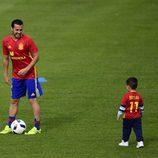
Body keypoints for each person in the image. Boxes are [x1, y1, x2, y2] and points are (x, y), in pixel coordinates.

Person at [0, 19, 43, 135]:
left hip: (30, 74)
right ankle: (9, 126)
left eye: (21, 30)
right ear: (12, 29)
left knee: (32, 100)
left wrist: (26, 69)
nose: (19, 32)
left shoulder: (28, 40)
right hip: (16, 76)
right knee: (14, 100)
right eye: (17, 29)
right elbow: (5, 59)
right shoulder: (6, 41)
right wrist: (5, 74)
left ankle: (37, 127)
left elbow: (36, 56)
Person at [116, 77, 144, 148]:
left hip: (127, 117)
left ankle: (125, 141)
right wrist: (141, 113)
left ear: (128, 87)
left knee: (126, 129)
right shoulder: (139, 96)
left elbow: (122, 107)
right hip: (137, 117)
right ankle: (140, 142)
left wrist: (118, 115)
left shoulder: (126, 96)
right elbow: (141, 107)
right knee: (138, 129)